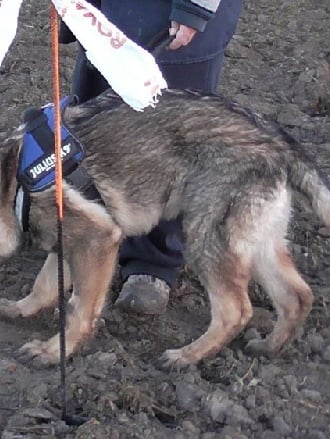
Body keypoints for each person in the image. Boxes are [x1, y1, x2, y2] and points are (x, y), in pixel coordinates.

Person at [62, 0, 244, 315]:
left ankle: (153, 263)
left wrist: (194, 10)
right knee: (93, 126)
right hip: (109, 18)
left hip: (171, 20)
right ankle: (85, 239)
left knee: (168, 144)